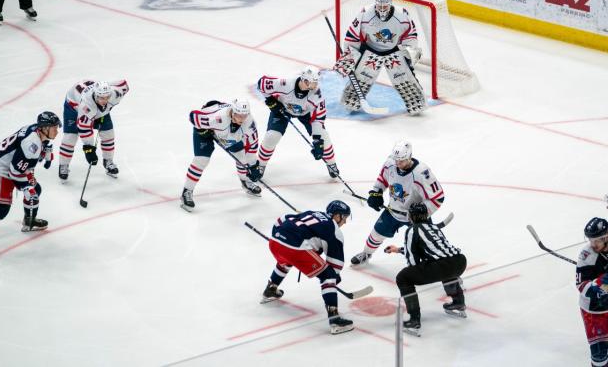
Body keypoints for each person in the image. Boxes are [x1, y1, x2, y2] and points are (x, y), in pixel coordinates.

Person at [261, 200, 354, 335]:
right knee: (328, 276)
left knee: (285, 261)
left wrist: (281, 238)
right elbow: (335, 265)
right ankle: (335, 320)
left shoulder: (314, 213)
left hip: (275, 241)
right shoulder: (334, 230)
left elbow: (283, 219)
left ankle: (271, 289)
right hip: (295, 249)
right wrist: (334, 279)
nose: (344, 222)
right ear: (337, 216)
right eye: (344, 217)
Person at [0, 111, 61, 256]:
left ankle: (29, 221)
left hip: (13, 165)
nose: (57, 131)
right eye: (53, 127)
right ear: (44, 128)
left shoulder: (37, 131)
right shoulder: (32, 143)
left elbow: (27, 161)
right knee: (2, 207)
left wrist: (45, 153)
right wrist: (26, 187)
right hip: (0, 168)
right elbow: (14, 171)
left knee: (36, 190)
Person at [350, 140, 444, 265]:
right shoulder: (390, 163)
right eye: (396, 160)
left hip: (415, 217)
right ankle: (366, 253)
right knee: (376, 234)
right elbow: (382, 179)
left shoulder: (422, 173)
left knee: (428, 243)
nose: (398, 163)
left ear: (409, 157)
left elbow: (438, 198)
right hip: (392, 211)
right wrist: (376, 193)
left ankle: (441, 260)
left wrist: (422, 211)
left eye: (401, 160)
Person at [334, 0, 426, 115]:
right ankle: (352, 100)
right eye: (379, 6)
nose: (382, 9)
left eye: (385, 6)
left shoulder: (402, 15)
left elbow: (410, 34)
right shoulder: (365, 13)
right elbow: (353, 36)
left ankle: (416, 101)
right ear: (375, 4)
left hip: (393, 50)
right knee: (362, 78)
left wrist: (409, 51)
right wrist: (350, 56)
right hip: (370, 49)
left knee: (404, 79)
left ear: (390, 4)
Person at [384, 202, 466, 336]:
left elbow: (413, 261)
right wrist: (398, 250)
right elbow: (435, 250)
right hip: (460, 261)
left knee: (403, 277)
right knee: (446, 269)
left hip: (443, 265)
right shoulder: (434, 228)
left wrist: (415, 271)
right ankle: (458, 302)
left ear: (411, 216)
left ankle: (414, 319)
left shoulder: (412, 230)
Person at [254, 66, 339, 180]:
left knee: (324, 138)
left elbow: (318, 119)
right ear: (305, 81)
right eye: (313, 83)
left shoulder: (317, 95)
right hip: (282, 110)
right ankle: (260, 165)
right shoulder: (285, 84)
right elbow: (262, 83)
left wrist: (318, 140)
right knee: (272, 136)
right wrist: (270, 100)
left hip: (306, 114)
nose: (316, 86)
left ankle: (331, 164)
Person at [181, 99, 261, 211]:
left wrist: (253, 166)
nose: (242, 119)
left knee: (241, 155)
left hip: (227, 135)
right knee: (201, 160)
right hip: (206, 132)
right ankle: (187, 191)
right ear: (233, 112)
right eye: (239, 115)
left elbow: (252, 146)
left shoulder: (249, 123)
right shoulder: (218, 118)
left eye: (245, 115)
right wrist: (202, 131)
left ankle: (246, 181)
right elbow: (193, 116)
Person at [58, 79, 130, 181]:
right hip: (73, 106)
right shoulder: (86, 105)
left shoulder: (115, 93)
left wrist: (108, 84)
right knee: (70, 137)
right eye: (101, 98)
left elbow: (123, 84)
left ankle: (108, 161)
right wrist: (89, 149)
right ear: (96, 95)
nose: (105, 101)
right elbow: (84, 129)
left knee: (108, 134)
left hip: (97, 109)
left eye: (107, 97)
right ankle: (63, 165)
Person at [576, 217, 608, 367]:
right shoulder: (586, 255)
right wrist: (603, 281)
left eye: (597, 240)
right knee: (599, 355)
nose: (593, 244)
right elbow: (582, 287)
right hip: (594, 311)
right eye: (591, 240)